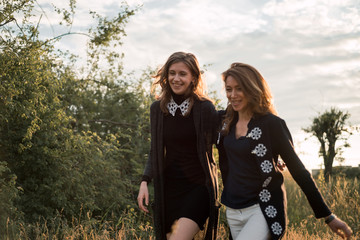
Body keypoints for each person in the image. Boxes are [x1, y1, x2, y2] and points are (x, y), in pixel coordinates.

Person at [216, 62, 353, 240]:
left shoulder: (272, 124)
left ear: (252, 88)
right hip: (233, 210)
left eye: (239, 89)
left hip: (262, 209)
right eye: (228, 89)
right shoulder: (223, 121)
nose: (233, 95)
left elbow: (299, 171)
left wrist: (328, 216)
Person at [137, 52, 220, 240]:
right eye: (172, 73)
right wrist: (144, 181)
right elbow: (155, 150)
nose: (176, 78)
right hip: (169, 189)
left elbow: (226, 136)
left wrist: (271, 155)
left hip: (198, 188)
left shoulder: (204, 108)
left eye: (182, 74)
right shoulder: (158, 109)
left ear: (193, 78)